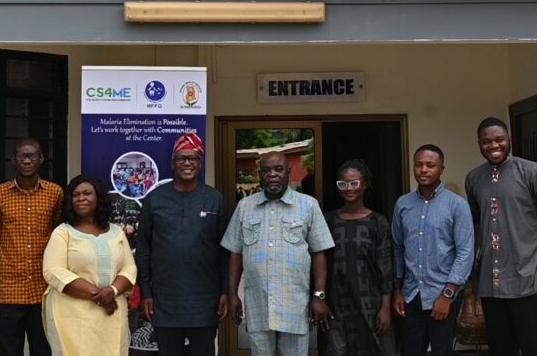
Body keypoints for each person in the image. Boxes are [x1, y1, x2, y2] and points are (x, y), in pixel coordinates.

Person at [465, 117, 537, 356]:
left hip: (525, 278)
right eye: (486, 141)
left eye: (499, 139)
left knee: (533, 349)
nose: (494, 145)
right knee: (500, 349)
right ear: (479, 144)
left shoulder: (532, 172)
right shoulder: (473, 178)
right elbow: (475, 225)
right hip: (490, 282)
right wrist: (473, 267)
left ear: (510, 140)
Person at [221, 152, 335, 356]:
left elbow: (319, 252)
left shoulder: (308, 205)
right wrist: (233, 295)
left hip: (295, 305)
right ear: (259, 174)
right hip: (258, 305)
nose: (272, 174)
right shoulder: (245, 206)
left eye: (278, 169)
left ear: (289, 173)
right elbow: (236, 252)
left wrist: (319, 296)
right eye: (266, 170)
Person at [135, 133, 229, 356]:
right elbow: (144, 248)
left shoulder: (215, 199)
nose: (187, 163)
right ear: (172, 163)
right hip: (165, 300)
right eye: (181, 158)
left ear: (200, 163)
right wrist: (146, 292)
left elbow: (226, 250)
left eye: (193, 158)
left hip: (205, 300)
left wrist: (226, 291)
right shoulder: (154, 199)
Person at [392, 145, 474, 356]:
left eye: (430, 165)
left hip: (443, 294)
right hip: (411, 295)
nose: (423, 170)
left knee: (443, 351)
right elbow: (398, 248)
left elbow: (465, 252)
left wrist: (447, 295)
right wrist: (397, 290)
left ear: (441, 169)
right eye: (418, 165)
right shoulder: (403, 204)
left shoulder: (457, 205)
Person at [42, 175, 137, 356]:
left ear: (99, 197)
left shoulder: (116, 232)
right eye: (75, 195)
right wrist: (101, 296)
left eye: (87, 193)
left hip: (111, 315)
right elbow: (53, 271)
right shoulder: (63, 232)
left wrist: (113, 291)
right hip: (72, 317)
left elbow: (129, 267)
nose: (81, 198)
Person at [0, 137, 65, 356]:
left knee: (42, 350)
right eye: (22, 156)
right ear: (13, 160)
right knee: (9, 350)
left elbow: (58, 236)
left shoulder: (55, 193)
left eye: (32, 156)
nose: (27, 160)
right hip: (9, 288)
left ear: (41, 159)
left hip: (43, 288)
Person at [321, 159, 396, 356]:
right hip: (337, 303)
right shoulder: (328, 220)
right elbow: (320, 262)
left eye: (354, 183)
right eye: (343, 183)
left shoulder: (377, 221)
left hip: (370, 303)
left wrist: (385, 307)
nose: (348, 188)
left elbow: (386, 267)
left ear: (364, 185)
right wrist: (320, 298)